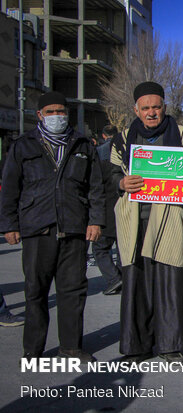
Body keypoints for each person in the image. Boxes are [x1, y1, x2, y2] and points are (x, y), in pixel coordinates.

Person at [0, 91, 105, 361]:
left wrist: (95, 220)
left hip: (74, 228)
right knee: (36, 291)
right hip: (37, 228)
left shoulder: (82, 144)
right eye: (50, 112)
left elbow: (95, 187)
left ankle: (71, 346)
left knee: (73, 291)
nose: (57, 116)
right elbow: (10, 187)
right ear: (39, 115)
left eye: (61, 111)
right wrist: (9, 224)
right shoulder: (23, 146)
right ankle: (33, 349)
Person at [110, 81, 183, 363]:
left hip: (170, 218)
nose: (151, 112)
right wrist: (121, 181)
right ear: (136, 109)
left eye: (156, 107)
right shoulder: (122, 138)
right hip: (134, 221)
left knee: (170, 285)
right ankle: (137, 347)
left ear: (165, 108)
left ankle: (170, 347)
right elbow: (108, 177)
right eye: (145, 108)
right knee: (136, 285)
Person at [93, 125, 123, 295]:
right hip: (121, 210)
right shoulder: (125, 152)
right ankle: (122, 279)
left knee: (100, 249)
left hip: (105, 212)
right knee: (122, 250)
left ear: (104, 135)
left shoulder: (98, 155)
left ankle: (114, 279)